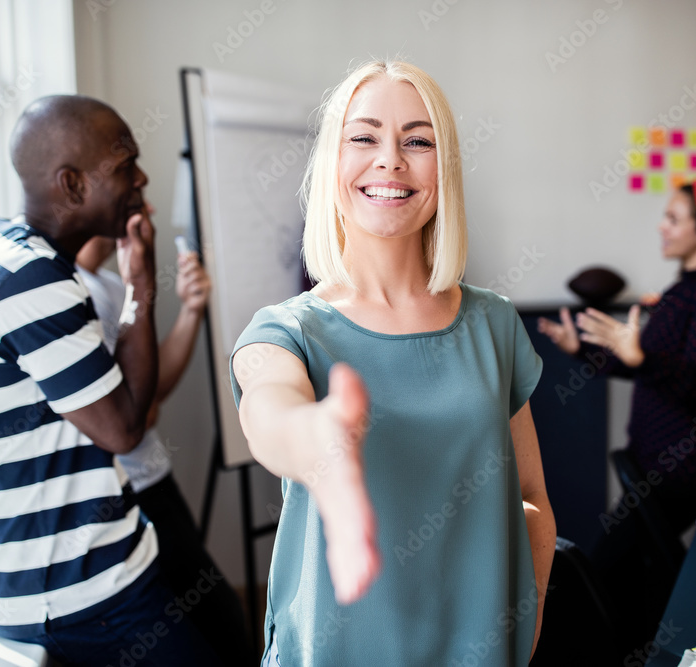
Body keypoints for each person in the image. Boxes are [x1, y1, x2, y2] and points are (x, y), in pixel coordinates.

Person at [230, 61, 557, 666]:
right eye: (364, 137)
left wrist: (524, 620)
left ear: (446, 169)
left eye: (418, 140)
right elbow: (271, 410)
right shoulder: (287, 330)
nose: (390, 160)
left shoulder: (494, 324)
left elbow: (532, 497)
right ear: (333, 162)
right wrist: (319, 445)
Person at [0, 95, 220, 665]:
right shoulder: (32, 281)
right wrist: (141, 284)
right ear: (71, 185)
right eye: (123, 167)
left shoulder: (17, 256)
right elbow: (123, 429)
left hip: (64, 580)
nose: (141, 177)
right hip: (75, 592)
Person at [538, 175, 696, 644]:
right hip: (652, 466)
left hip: (682, 471)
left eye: (673, 218)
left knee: (594, 575)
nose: (661, 227)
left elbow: (693, 380)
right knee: (630, 583)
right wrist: (581, 350)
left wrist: (641, 356)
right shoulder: (686, 290)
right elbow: (646, 369)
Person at [75, 230, 254, 666]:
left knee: (219, 620)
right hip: (130, 494)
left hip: (154, 479)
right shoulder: (78, 292)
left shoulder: (109, 284)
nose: (148, 208)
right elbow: (142, 414)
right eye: (132, 185)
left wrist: (191, 311)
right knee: (219, 628)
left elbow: (153, 386)